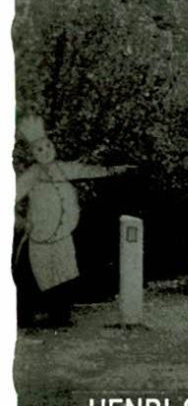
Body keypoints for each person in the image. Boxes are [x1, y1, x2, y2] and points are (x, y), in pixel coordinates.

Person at [13, 115, 126, 328]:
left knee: (64, 276)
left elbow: (89, 171)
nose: (45, 151)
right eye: (39, 149)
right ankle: (27, 317)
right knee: (35, 277)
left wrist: (112, 171)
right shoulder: (31, 176)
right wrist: (18, 221)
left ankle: (60, 316)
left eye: (48, 146)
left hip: (63, 237)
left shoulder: (64, 168)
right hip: (40, 237)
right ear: (32, 154)